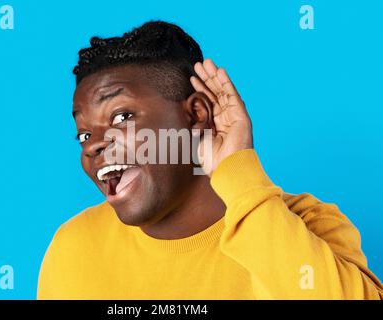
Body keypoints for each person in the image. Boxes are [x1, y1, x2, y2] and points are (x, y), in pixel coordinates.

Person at [37, 20, 382, 299]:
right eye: (84, 134)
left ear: (196, 114)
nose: (93, 145)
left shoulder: (308, 226)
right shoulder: (74, 247)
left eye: (121, 117)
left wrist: (239, 171)